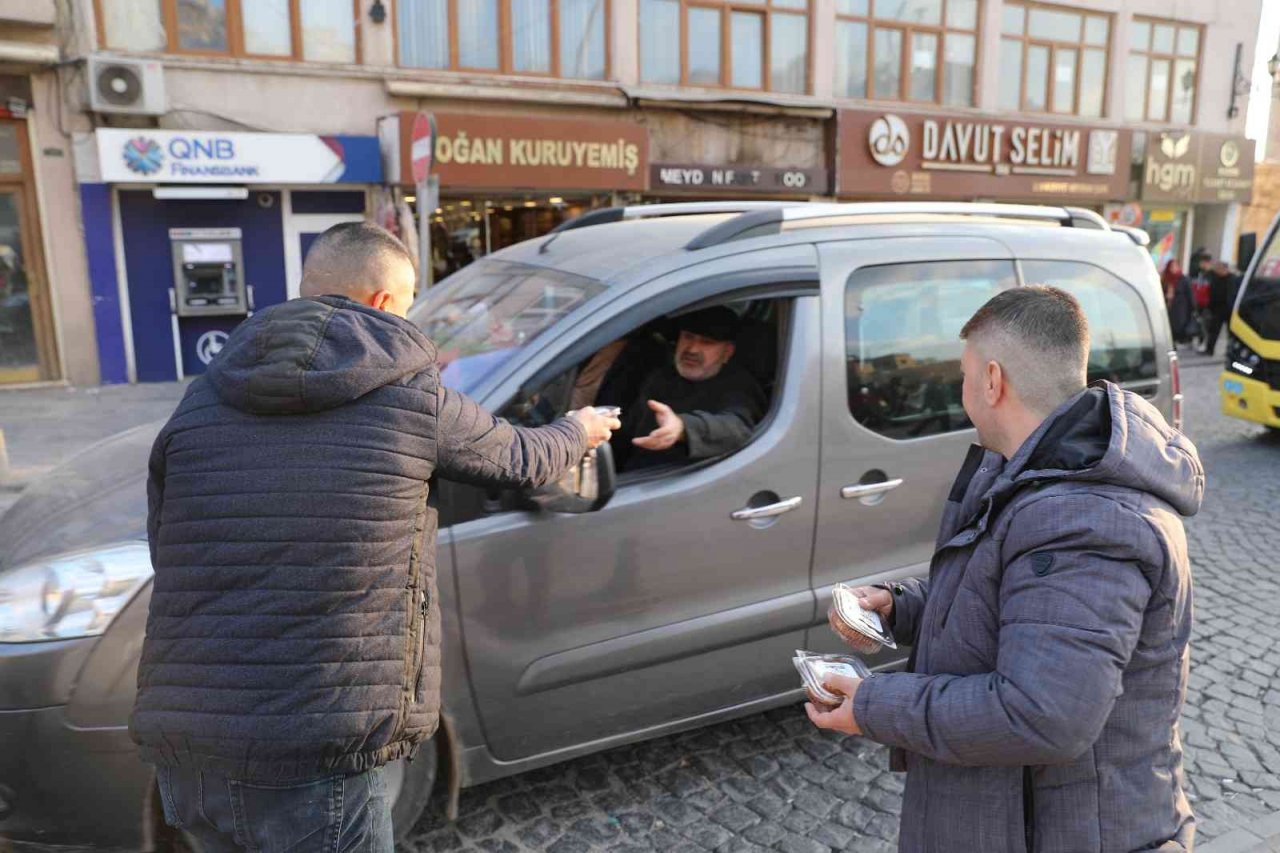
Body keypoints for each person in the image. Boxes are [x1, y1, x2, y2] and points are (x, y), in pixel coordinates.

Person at [130, 222, 619, 851]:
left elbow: (165, 541)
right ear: (384, 302)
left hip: (188, 745)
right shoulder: (410, 397)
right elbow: (520, 458)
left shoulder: (202, 399)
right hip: (318, 741)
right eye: (409, 303)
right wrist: (580, 428)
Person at [808, 286, 1203, 852]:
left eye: (964, 376)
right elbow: (1016, 598)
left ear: (992, 381)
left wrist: (871, 704)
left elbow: (1043, 714)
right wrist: (903, 606)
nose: (963, 392)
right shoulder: (1041, 478)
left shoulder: (1084, 518)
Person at [613, 306, 766, 472]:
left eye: (707, 342)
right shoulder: (661, 376)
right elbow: (628, 432)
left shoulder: (739, 385)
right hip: (634, 477)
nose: (692, 349)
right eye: (688, 337)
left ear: (727, 352)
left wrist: (682, 428)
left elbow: (737, 427)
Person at [1202, 259, 1241, 356]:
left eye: (1219, 268)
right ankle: (1209, 349)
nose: (1217, 270)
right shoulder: (1215, 278)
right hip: (1217, 308)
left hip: (1230, 309)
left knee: (1232, 333)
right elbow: (1211, 292)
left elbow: (1235, 294)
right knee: (1214, 330)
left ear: (1224, 269)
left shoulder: (1233, 279)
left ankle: (1231, 352)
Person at [1161, 259, 1197, 347]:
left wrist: (1193, 308)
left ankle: (1177, 343)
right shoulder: (1165, 279)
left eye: (1175, 266)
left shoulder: (1183, 279)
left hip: (1180, 309)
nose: (1173, 269)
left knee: (1178, 328)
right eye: (1171, 267)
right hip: (1167, 307)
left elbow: (1190, 295)